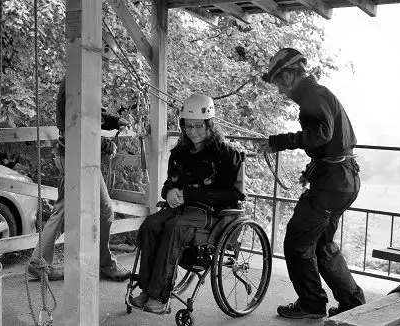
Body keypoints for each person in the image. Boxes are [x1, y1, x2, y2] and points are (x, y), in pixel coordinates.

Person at [258, 48, 365, 319]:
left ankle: (311, 304)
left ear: (290, 74)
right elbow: (328, 141)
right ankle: (352, 303)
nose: (280, 90)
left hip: (332, 184)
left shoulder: (313, 97)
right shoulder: (317, 94)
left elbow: (320, 135)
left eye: (279, 82)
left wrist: (279, 141)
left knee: (297, 241)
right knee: (322, 244)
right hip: (341, 180)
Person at [128, 94, 245, 313]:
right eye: (187, 126)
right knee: (150, 225)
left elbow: (234, 194)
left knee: (174, 228)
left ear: (210, 124)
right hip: (181, 209)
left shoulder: (227, 154)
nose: (193, 131)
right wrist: (169, 191)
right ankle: (146, 289)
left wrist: (192, 194)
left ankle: (159, 296)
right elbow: (168, 184)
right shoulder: (179, 153)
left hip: (213, 213)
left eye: (199, 126)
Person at [25, 79, 132, 282]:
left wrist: (115, 122)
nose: (106, 61)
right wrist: (105, 144)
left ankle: (38, 263)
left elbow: (93, 116)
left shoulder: (80, 77)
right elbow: (77, 126)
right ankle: (104, 264)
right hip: (76, 157)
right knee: (102, 210)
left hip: (74, 156)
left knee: (65, 211)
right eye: (106, 54)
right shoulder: (76, 82)